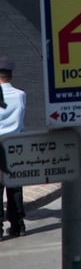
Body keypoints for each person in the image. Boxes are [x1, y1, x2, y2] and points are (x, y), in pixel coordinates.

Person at [0, 56, 28, 239]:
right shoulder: (20, 95)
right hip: (15, 144)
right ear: (10, 76)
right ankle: (18, 225)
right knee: (15, 186)